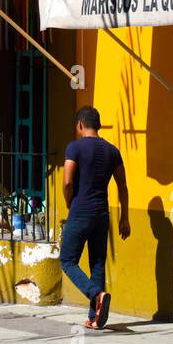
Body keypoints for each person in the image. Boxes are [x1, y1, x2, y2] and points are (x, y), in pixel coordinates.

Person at [59, 106, 129, 330]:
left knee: (67, 260)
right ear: (97, 124)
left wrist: (69, 202)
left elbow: (68, 181)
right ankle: (95, 318)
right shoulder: (112, 151)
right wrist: (124, 218)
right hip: (102, 214)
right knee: (97, 263)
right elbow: (123, 186)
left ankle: (96, 295)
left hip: (80, 211)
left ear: (80, 124)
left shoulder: (75, 148)